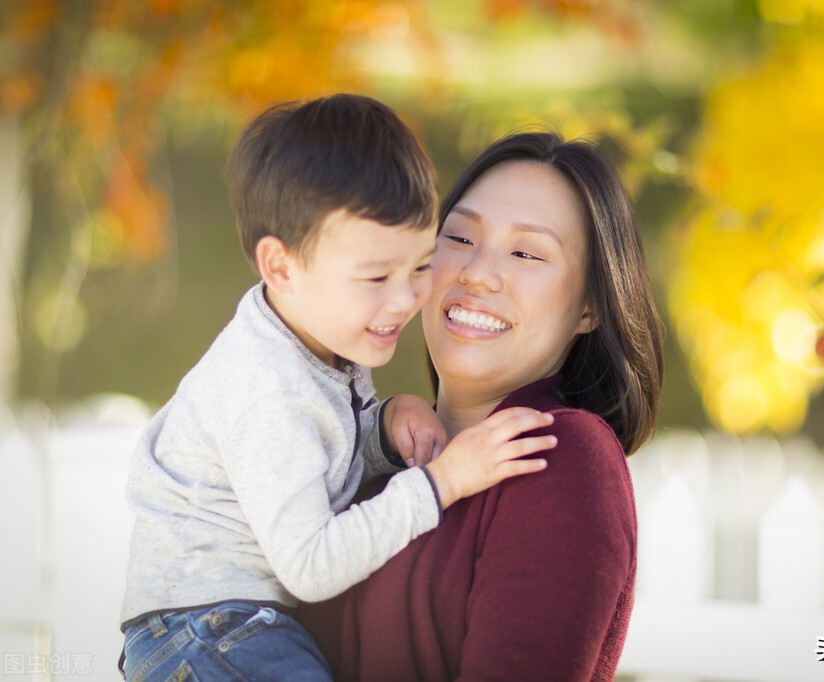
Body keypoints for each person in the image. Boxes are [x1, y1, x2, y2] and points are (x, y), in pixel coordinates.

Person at [118, 96, 555, 682]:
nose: (404, 301)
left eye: (421, 266)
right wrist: (442, 482)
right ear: (282, 268)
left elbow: (317, 452)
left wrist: (381, 430)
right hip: (207, 632)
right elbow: (312, 566)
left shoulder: (319, 333)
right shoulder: (269, 392)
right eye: (376, 277)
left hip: (226, 627)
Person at [298, 131, 664, 681]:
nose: (477, 272)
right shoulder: (365, 457)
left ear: (589, 305)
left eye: (526, 253)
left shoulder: (555, 456)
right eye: (460, 238)